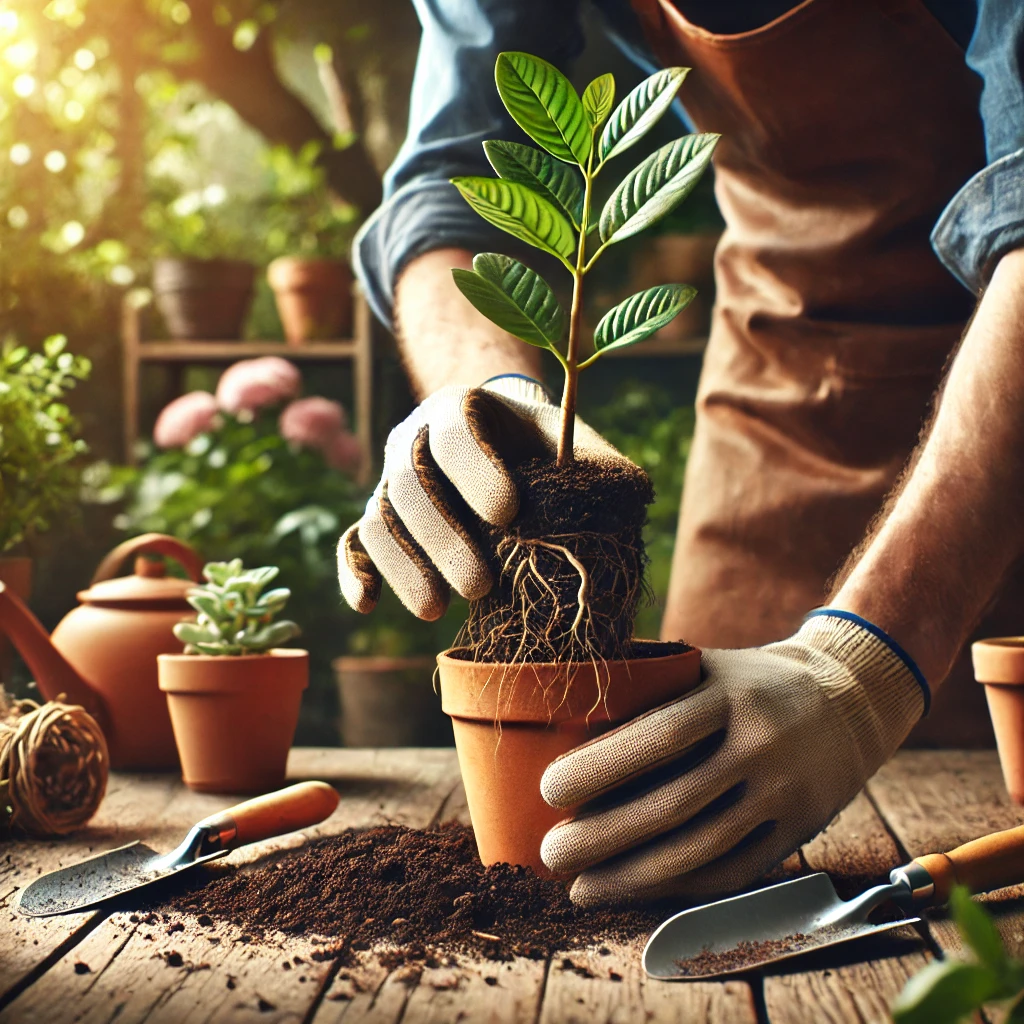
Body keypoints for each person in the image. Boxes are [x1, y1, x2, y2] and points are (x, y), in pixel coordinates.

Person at [338, 0, 1024, 906]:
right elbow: (442, 183)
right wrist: (475, 389)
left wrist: (864, 666)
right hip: (780, 379)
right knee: (690, 802)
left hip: (1002, 387)